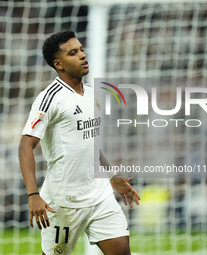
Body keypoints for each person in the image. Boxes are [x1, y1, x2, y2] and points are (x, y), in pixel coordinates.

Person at [19, 30, 140, 255]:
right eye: (73, 53)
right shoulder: (50, 98)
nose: (83, 55)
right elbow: (26, 145)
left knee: (122, 251)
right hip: (64, 203)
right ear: (59, 64)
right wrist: (33, 195)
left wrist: (111, 177)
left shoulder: (92, 94)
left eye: (82, 50)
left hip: (99, 196)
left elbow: (91, 144)